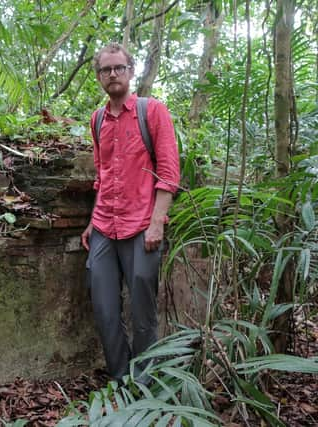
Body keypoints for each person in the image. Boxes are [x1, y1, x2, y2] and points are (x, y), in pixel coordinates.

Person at [81, 42, 180, 383]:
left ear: (130, 71)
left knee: (142, 312)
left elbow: (168, 171)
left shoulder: (152, 111)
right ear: (98, 77)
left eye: (118, 68)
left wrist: (157, 223)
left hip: (142, 227)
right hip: (105, 226)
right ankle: (121, 380)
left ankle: (146, 384)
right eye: (105, 70)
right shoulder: (97, 120)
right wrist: (93, 221)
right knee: (105, 308)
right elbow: (102, 175)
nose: (112, 74)